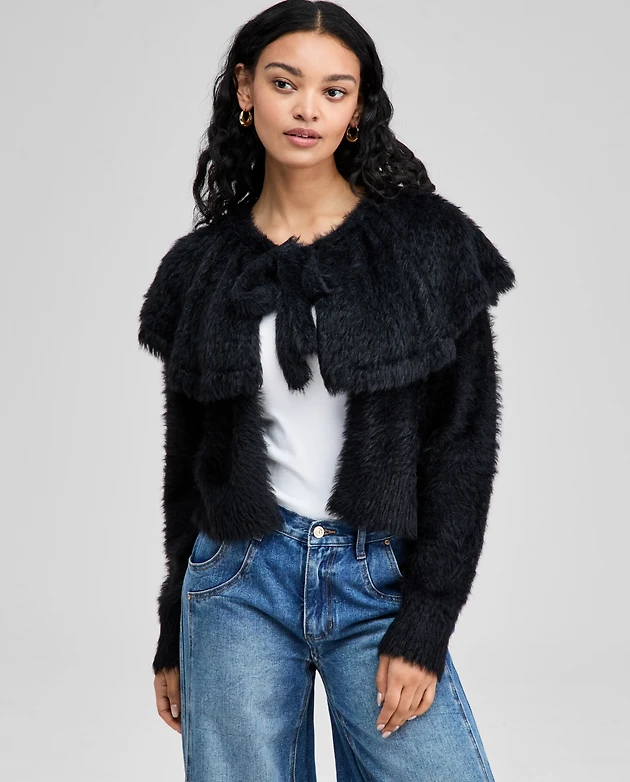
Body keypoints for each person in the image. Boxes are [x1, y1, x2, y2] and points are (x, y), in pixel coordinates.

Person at [137, 1, 516, 779]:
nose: (307, 108)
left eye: (334, 91)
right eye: (285, 83)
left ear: (357, 109)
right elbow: (190, 465)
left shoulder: (426, 245)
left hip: (376, 577)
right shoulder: (201, 269)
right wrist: (174, 626)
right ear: (246, 90)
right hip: (236, 584)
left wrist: (427, 620)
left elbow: (463, 444)